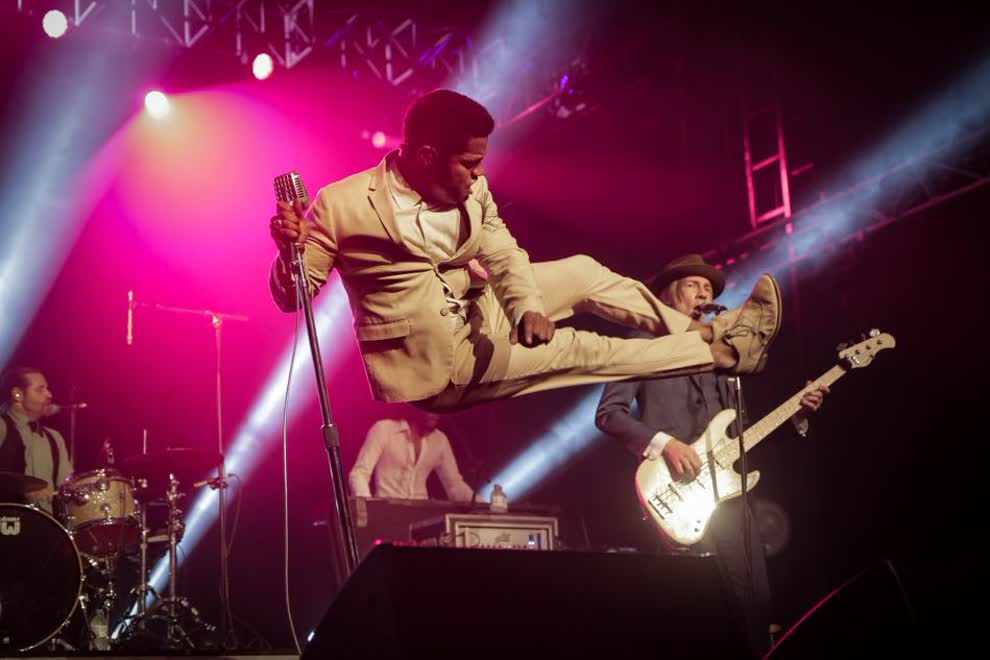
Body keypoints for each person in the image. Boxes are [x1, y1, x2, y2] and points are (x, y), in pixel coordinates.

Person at [268, 89, 782, 413]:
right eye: (469, 164)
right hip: (440, 367)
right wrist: (286, 250)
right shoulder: (341, 204)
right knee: (582, 349)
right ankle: (724, 353)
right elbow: (294, 297)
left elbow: (504, 253)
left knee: (582, 271)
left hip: (481, 309)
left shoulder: (474, 190)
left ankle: (709, 329)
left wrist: (527, 307)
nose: (480, 174)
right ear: (426, 156)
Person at [595, 254, 828, 658]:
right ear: (669, 293)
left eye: (710, 290)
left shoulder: (724, 358)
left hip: (732, 500)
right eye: (694, 286)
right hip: (675, 492)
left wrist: (798, 416)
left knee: (752, 601)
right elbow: (609, 414)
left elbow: (743, 436)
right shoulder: (643, 343)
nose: (704, 293)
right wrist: (664, 443)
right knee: (687, 601)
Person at [348, 407, 475, 502]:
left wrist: (487, 506)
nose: (435, 413)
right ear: (415, 404)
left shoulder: (440, 440)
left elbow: (454, 486)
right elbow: (359, 473)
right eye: (430, 405)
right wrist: (369, 508)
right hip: (386, 512)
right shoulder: (384, 429)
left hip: (421, 518)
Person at [0, 367, 74, 511]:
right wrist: (20, 489)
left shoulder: (54, 437)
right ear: (17, 394)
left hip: (45, 525)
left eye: (47, 389)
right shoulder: (2, 427)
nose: (49, 395)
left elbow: (66, 485)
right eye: (40, 389)